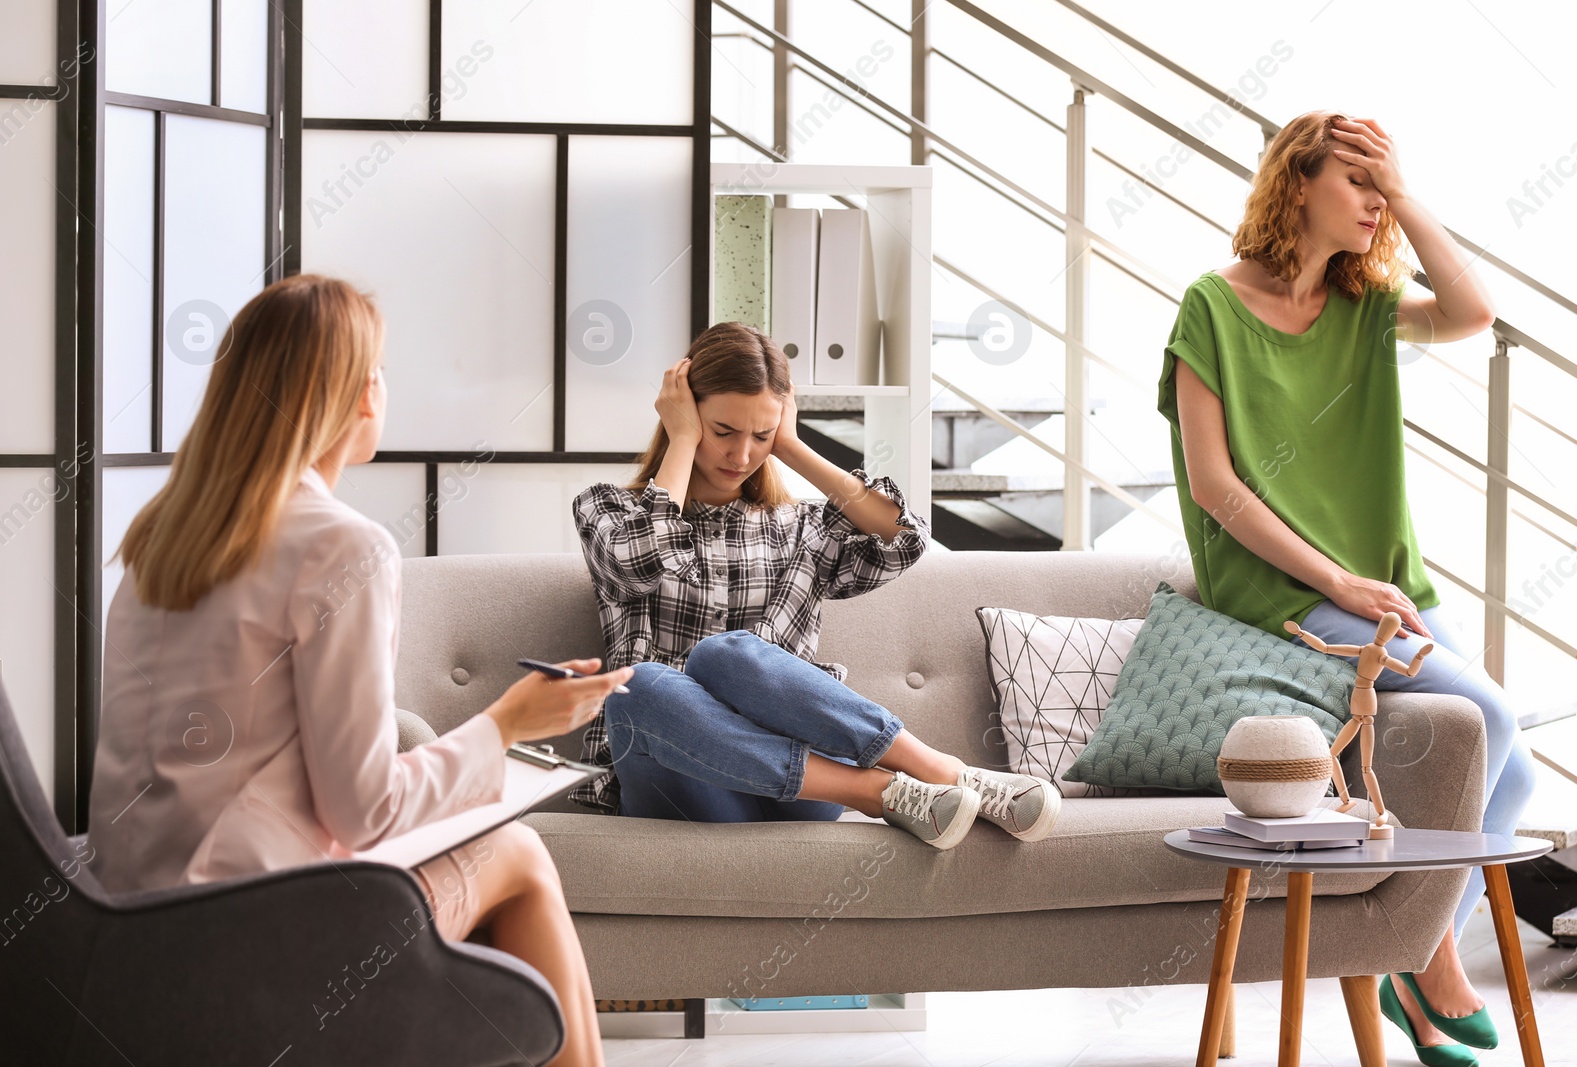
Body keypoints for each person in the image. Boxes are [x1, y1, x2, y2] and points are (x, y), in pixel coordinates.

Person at [85, 275, 629, 1067]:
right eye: (377, 368)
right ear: (354, 394)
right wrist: (508, 724)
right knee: (518, 854)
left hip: (131, 921)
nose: (384, 385)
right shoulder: (345, 547)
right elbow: (364, 808)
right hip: (252, 930)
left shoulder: (160, 535)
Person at [1158, 112, 1536, 1066]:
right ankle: (1424, 960)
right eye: (1360, 181)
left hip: (1386, 581)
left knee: (1517, 765)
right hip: (1283, 587)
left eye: (1385, 187)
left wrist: (1407, 193)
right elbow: (1214, 484)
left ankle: (1405, 953)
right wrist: (1338, 580)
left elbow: (1473, 311)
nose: (1376, 204)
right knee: (1485, 714)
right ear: (1298, 185)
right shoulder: (1211, 304)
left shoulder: (1365, 303)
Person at [571, 321, 1061, 848]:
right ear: (684, 415)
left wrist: (792, 446)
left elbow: (906, 541)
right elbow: (640, 561)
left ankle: (941, 772)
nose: (741, 456)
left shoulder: (802, 526)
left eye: (760, 436)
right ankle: (879, 792)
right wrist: (684, 440)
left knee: (727, 655)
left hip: (800, 791)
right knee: (634, 687)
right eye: (722, 432)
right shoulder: (608, 511)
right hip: (684, 779)